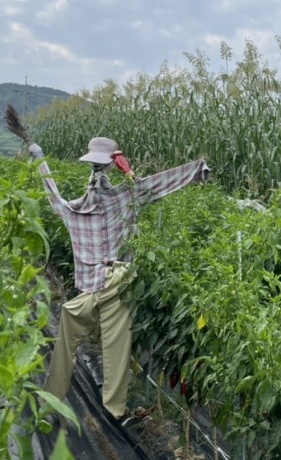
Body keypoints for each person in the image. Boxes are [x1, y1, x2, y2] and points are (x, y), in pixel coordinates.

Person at [28, 137, 210, 423]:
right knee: (116, 346)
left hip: (91, 286)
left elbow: (53, 193)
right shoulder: (125, 197)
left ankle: (50, 404)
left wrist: (38, 156)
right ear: (112, 164)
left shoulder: (73, 210)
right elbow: (157, 185)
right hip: (118, 282)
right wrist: (196, 169)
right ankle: (113, 409)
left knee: (68, 336)